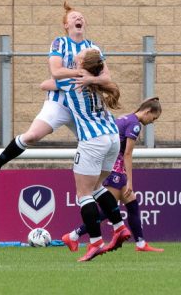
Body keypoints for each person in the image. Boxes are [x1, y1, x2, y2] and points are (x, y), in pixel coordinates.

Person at [0, 2, 112, 182]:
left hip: (83, 106)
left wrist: (89, 79)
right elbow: (56, 72)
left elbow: (107, 78)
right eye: (73, 17)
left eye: (81, 17)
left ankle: (103, 187)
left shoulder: (93, 48)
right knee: (32, 135)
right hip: (59, 102)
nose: (78, 18)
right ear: (66, 25)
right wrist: (82, 74)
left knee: (103, 140)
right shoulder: (60, 42)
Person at [55, 48, 131, 262]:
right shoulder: (98, 82)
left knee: (83, 194)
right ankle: (119, 227)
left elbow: (46, 84)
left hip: (93, 141)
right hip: (112, 138)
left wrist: (69, 73)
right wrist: (93, 77)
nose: (74, 60)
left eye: (77, 60)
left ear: (83, 66)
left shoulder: (74, 82)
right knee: (97, 187)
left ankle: (95, 242)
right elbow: (111, 83)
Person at [61, 97, 164, 253]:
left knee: (132, 204)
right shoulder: (134, 124)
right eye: (154, 118)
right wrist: (130, 180)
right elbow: (128, 153)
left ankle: (141, 244)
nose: (152, 122)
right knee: (110, 209)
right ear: (148, 111)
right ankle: (74, 235)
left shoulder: (126, 117)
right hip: (114, 168)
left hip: (111, 165)